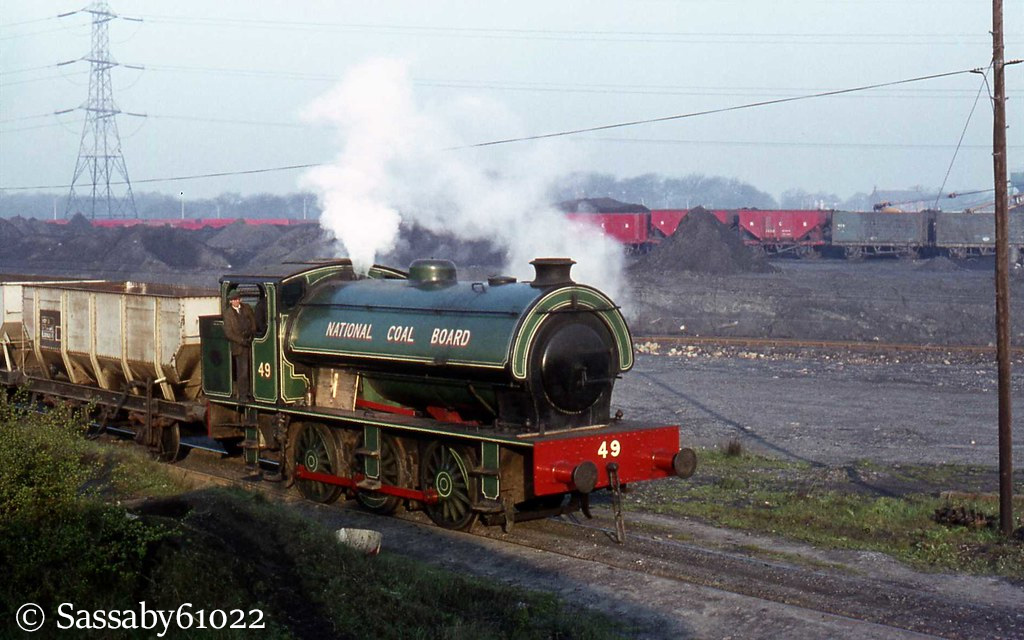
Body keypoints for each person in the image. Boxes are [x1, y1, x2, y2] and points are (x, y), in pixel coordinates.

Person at [222, 290, 257, 401]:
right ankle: (242, 395)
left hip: (250, 341)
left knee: (252, 369)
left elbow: (253, 321)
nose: (235, 301)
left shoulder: (247, 308)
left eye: (236, 299)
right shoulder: (228, 314)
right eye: (233, 300)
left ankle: (252, 392)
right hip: (239, 345)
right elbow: (229, 333)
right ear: (231, 301)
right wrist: (241, 340)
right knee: (242, 372)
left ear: (239, 299)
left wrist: (251, 333)